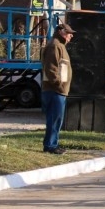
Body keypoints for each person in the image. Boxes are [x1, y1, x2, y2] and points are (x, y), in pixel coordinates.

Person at [41, 22, 75, 154]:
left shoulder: (60, 46)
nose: (71, 36)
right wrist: (59, 85)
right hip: (54, 90)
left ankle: (53, 143)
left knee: (56, 119)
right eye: (68, 33)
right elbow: (51, 69)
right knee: (54, 119)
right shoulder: (55, 46)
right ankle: (50, 146)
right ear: (61, 32)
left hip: (58, 90)